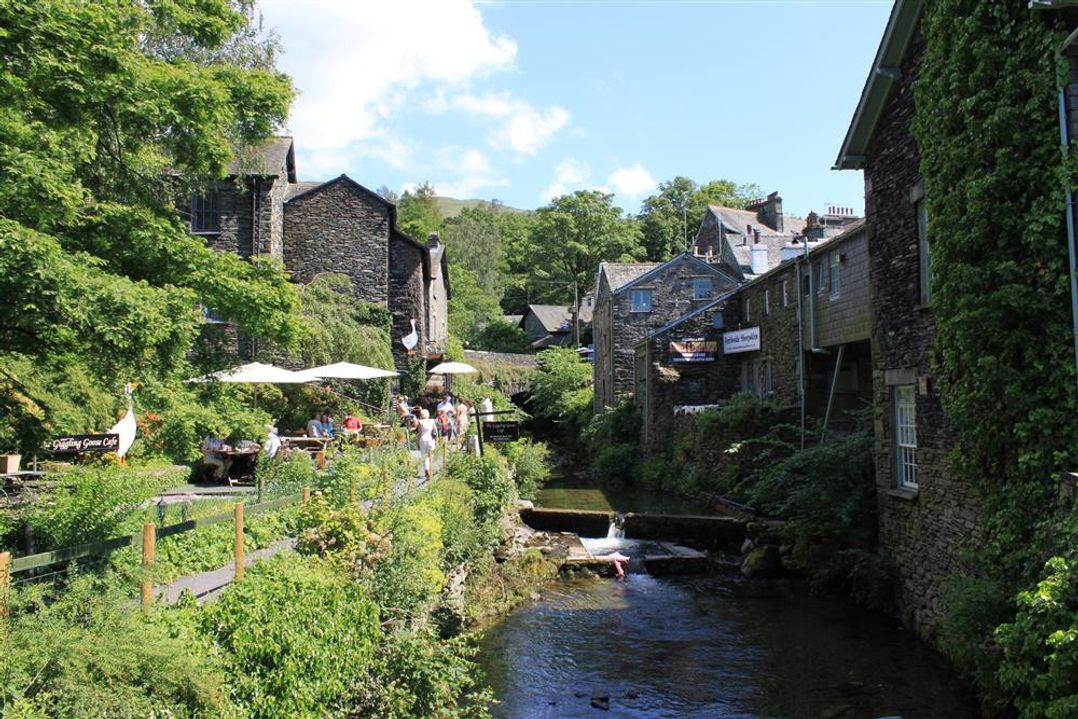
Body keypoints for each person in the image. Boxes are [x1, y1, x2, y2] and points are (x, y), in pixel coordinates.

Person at [415, 408, 437, 478]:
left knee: (424, 456)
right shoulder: (432, 421)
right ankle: (430, 470)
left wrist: (417, 442)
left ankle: (426, 469)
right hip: (430, 439)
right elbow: (435, 432)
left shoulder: (420, 422)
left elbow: (419, 433)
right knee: (431, 455)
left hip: (423, 440)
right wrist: (436, 440)